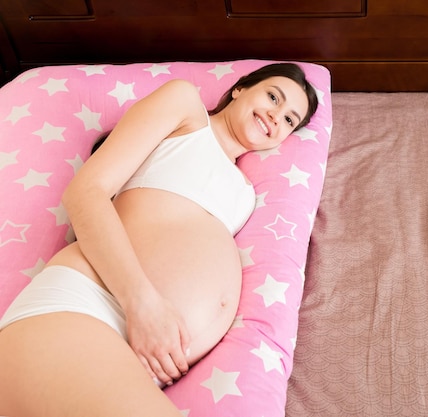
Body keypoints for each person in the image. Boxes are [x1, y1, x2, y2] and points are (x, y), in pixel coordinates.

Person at [0, 63, 318, 417]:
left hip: (137, 358)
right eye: (273, 97)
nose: (276, 116)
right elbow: (85, 193)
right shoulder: (186, 109)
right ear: (241, 88)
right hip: (90, 308)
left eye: (290, 120)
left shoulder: (246, 191)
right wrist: (143, 307)